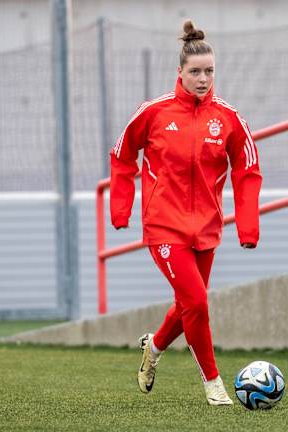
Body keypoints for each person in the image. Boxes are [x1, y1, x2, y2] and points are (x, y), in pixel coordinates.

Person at [109, 20, 262, 406]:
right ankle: (214, 384)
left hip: (207, 229)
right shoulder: (155, 112)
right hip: (163, 226)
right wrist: (121, 209)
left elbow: (248, 171)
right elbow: (122, 154)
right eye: (195, 71)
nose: (203, 78)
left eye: (209, 71)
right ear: (180, 73)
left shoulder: (228, 118)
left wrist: (248, 228)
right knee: (196, 302)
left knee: (187, 304)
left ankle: (154, 348)